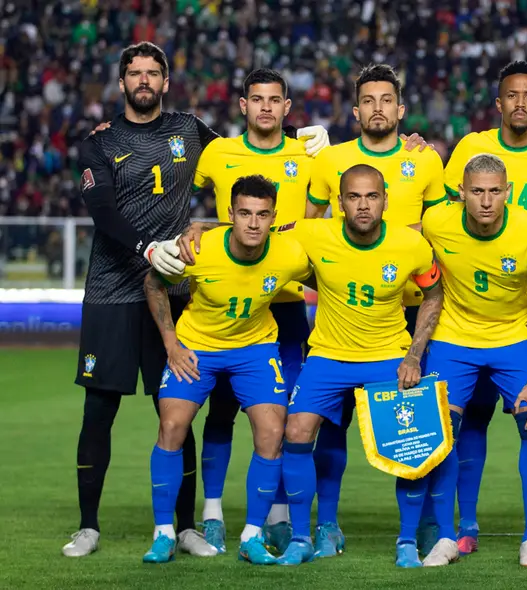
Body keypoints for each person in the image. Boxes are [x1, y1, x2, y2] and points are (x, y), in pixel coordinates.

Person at [63, 41, 329, 559]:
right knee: (99, 410)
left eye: (152, 73)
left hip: (182, 290)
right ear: (121, 84)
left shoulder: (191, 132)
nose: (144, 80)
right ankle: (88, 526)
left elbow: (253, 141)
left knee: (177, 410)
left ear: (165, 81)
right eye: (134, 73)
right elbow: (100, 208)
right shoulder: (99, 142)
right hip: (112, 290)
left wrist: (309, 138)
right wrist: (147, 248)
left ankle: (186, 526)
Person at [428, 59, 527, 556]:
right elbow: (434, 215)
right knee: (457, 426)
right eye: (510, 95)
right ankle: (457, 529)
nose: (520, 103)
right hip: (460, 323)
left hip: (521, 310)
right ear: (499, 103)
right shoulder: (471, 149)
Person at [301, 63, 446, 558]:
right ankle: (328, 525)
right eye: (369, 100)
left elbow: (442, 228)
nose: (378, 108)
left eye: (388, 100)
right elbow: (310, 231)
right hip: (345, 317)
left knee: (415, 430)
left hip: (408, 317)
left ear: (400, 110)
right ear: (356, 108)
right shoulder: (331, 162)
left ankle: (423, 527)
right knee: (331, 423)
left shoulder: (425, 161)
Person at [270, 164, 444, 567]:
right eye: (354, 197)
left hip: (387, 355)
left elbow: (433, 293)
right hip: (329, 355)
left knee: (411, 442)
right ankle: (302, 536)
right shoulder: (314, 233)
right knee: (295, 432)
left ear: (385, 199)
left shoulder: (410, 245)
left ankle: (406, 542)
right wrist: (201, 231)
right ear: (339, 202)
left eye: (371, 196)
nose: (363, 205)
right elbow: (254, 230)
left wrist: (414, 355)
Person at [141, 175, 311, 564]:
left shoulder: (289, 254)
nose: (253, 223)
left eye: (262, 215)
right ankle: (163, 533)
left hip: (254, 349)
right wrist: (171, 344)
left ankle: (252, 536)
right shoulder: (199, 249)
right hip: (198, 347)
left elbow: (329, 275)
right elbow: (153, 284)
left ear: (273, 217)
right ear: (230, 214)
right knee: (171, 427)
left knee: (272, 432)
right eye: (245, 214)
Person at [184, 68, 317, 556]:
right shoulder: (218, 153)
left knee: (282, 415)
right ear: (242, 105)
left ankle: (277, 516)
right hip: (227, 309)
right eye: (256, 99)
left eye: (274, 99)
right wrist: (196, 225)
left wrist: (416, 146)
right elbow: (173, 191)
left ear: (287, 107)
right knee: (220, 414)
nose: (265, 107)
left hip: (285, 307)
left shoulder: (308, 154)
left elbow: (361, 182)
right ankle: (214, 514)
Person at [421, 153, 527, 567]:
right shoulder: (436, 223)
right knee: (440, 432)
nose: (485, 200)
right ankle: (447, 536)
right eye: (476, 191)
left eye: (494, 191)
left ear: (508, 192)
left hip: (515, 336)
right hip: (453, 338)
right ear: (460, 192)